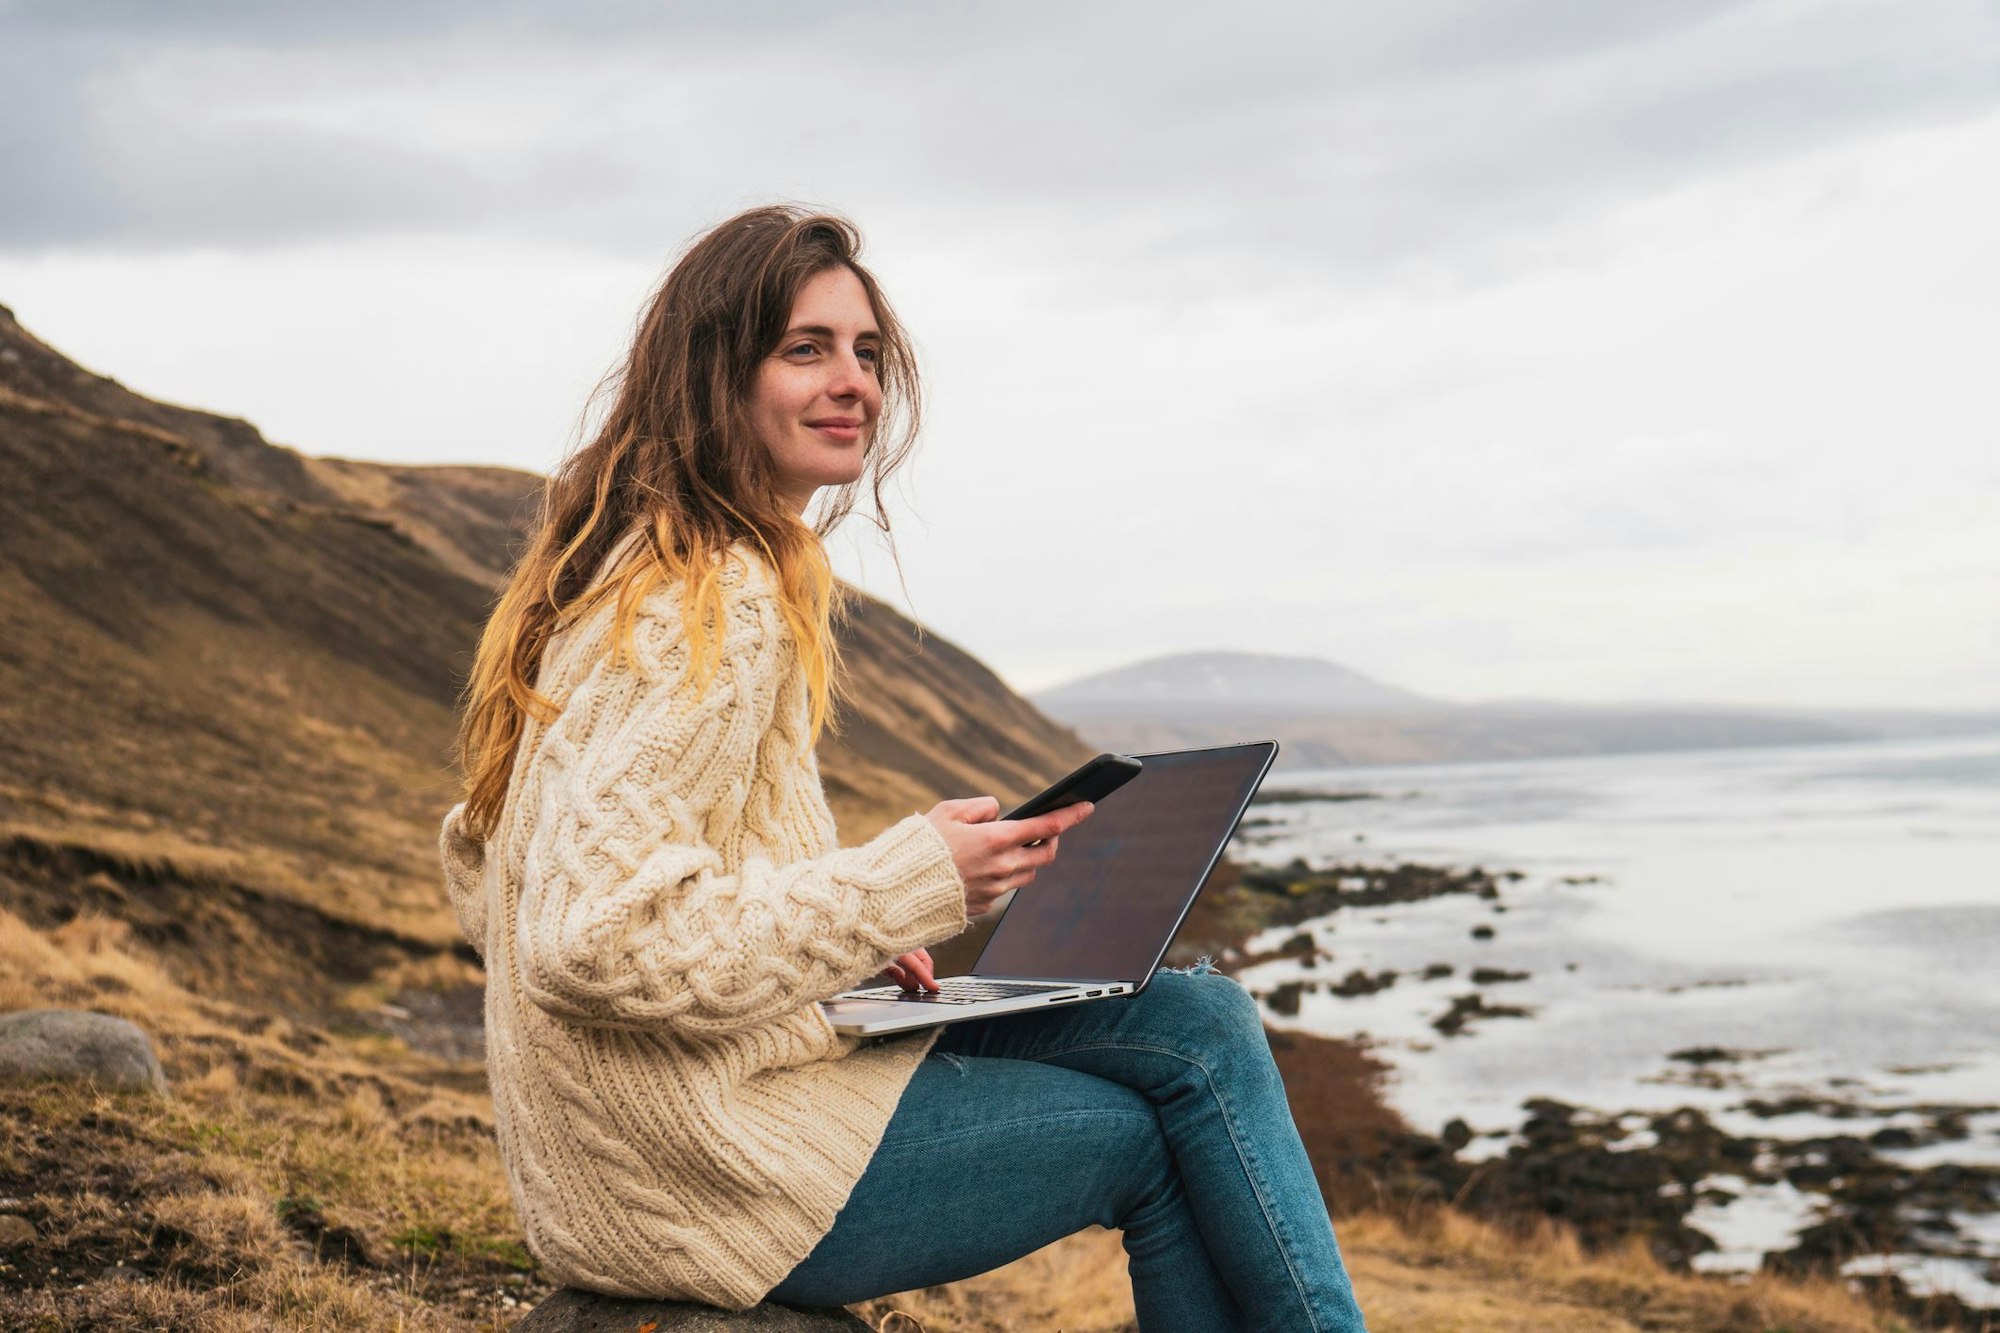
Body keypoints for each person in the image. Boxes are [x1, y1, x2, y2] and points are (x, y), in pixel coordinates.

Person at [439, 205, 1369, 1331]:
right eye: (805, 349)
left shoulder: (654, 563)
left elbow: (491, 859)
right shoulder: (706, 595)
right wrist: (896, 884)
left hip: (673, 1126)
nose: (854, 384)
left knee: (1198, 1021)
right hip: (694, 1173)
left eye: (866, 353)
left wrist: (838, 957)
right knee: (1150, 1134)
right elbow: (588, 939)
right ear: (711, 373)